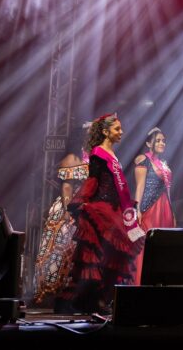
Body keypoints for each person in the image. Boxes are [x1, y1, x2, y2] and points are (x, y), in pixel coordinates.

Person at [56, 114, 145, 314]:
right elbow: (93, 181)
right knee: (98, 256)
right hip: (101, 209)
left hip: (113, 208)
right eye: (117, 129)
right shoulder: (98, 153)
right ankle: (90, 299)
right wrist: (81, 202)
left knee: (113, 254)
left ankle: (99, 299)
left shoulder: (111, 154)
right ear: (105, 132)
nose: (121, 132)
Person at [33, 123, 90, 307]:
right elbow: (67, 186)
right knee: (61, 250)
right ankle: (53, 292)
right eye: (89, 134)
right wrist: (67, 210)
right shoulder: (72, 158)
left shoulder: (92, 158)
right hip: (70, 208)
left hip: (86, 208)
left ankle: (78, 292)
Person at [132, 127, 175, 283]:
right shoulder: (143, 159)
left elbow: (168, 189)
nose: (162, 143)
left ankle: (159, 282)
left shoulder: (162, 163)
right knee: (146, 245)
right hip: (150, 209)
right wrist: (137, 209)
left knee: (163, 246)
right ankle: (140, 282)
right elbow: (140, 186)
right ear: (148, 143)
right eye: (158, 140)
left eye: (163, 140)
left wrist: (173, 212)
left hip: (165, 208)